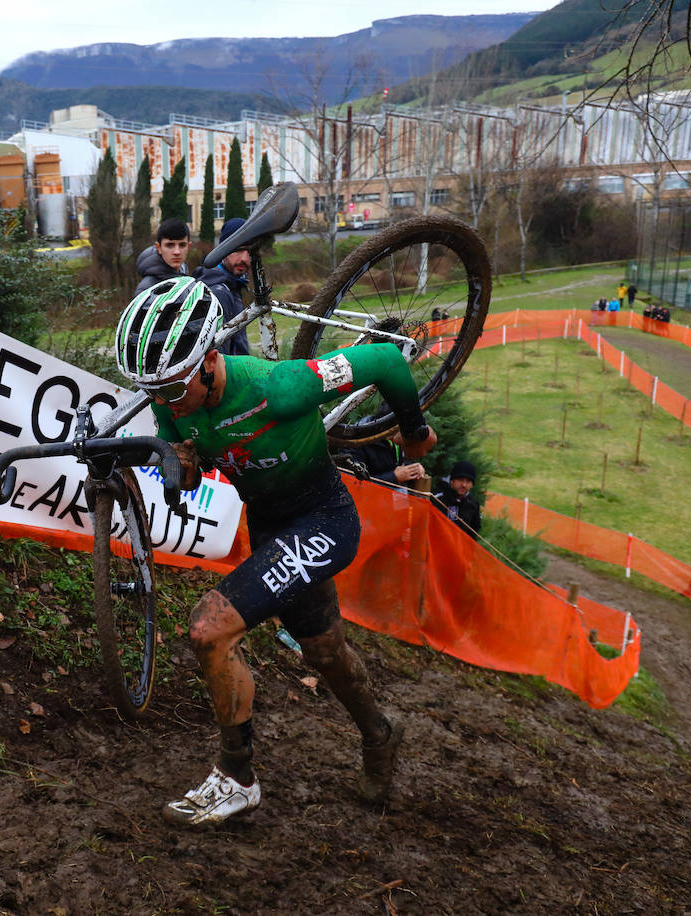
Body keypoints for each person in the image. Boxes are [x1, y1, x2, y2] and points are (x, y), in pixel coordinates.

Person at [115, 276, 436, 824]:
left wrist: (413, 429)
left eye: (171, 388)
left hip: (324, 519)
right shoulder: (173, 402)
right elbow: (191, 470)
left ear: (209, 361)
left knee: (209, 629)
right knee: (324, 651)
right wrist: (180, 468)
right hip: (271, 528)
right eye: (153, 390)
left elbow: (385, 360)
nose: (163, 401)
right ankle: (380, 733)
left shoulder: (279, 386)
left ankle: (236, 776)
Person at [195, 217, 251, 356]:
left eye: (249, 251)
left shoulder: (233, 284)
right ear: (222, 251)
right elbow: (219, 357)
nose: (244, 259)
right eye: (237, 250)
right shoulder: (219, 292)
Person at [344, 434, 428, 490]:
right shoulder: (356, 442)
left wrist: (413, 468)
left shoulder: (393, 439)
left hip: (389, 505)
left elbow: (392, 465)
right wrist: (393, 477)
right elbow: (353, 485)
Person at [134, 217, 190, 295]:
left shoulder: (185, 276)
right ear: (159, 248)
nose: (177, 252)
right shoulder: (147, 289)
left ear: (189, 246)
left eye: (182, 245)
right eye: (169, 245)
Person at [432, 460, 481, 540]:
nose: (464, 485)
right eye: (460, 480)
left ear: (472, 485)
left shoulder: (473, 504)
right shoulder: (437, 499)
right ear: (452, 481)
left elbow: (474, 531)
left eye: (468, 481)